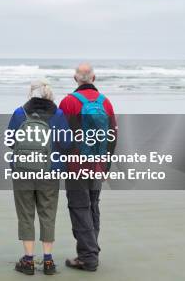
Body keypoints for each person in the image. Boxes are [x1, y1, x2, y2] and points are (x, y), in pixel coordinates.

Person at [7, 79, 71, 276]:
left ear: (31, 93)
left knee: (25, 214)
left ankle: (28, 260)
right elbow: (67, 144)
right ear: (49, 94)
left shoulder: (19, 113)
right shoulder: (58, 114)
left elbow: (10, 141)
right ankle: (48, 261)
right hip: (50, 171)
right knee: (48, 213)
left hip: (23, 171)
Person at [59, 63, 117, 272]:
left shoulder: (68, 102)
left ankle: (87, 257)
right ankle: (92, 249)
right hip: (98, 164)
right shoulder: (106, 103)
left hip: (76, 165)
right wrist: (106, 165)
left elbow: (60, 136)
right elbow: (112, 136)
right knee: (93, 205)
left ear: (76, 79)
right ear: (94, 78)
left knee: (79, 207)